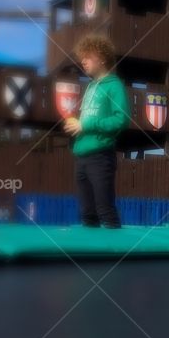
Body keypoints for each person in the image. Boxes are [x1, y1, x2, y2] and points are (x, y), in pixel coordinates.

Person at [63, 35, 128, 229]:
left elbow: (121, 118)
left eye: (87, 56)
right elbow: (88, 120)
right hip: (81, 156)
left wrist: (86, 125)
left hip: (100, 156)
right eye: (81, 57)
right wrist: (77, 125)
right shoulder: (91, 87)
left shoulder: (114, 85)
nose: (82, 61)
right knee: (87, 214)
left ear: (101, 57)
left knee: (105, 210)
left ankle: (117, 255)